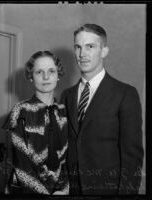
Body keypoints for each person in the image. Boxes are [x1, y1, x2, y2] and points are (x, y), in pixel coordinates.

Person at [61, 24, 144, 195]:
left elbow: (132, 157)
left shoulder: (125, 93)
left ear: (104, 51)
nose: (82, 54)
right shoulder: (66, 95)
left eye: (90, 47)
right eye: (78, 47)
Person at [2, 51, 69, 195]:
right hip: (24, 189)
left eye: (51, 71)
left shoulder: (65, 111)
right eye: (39, 72)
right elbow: (20, 163)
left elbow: (66, 160)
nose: (46, 77)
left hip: (60, 190)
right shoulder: (20, 111)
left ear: (58, 75)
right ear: (31, 77)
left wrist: (63, 189)